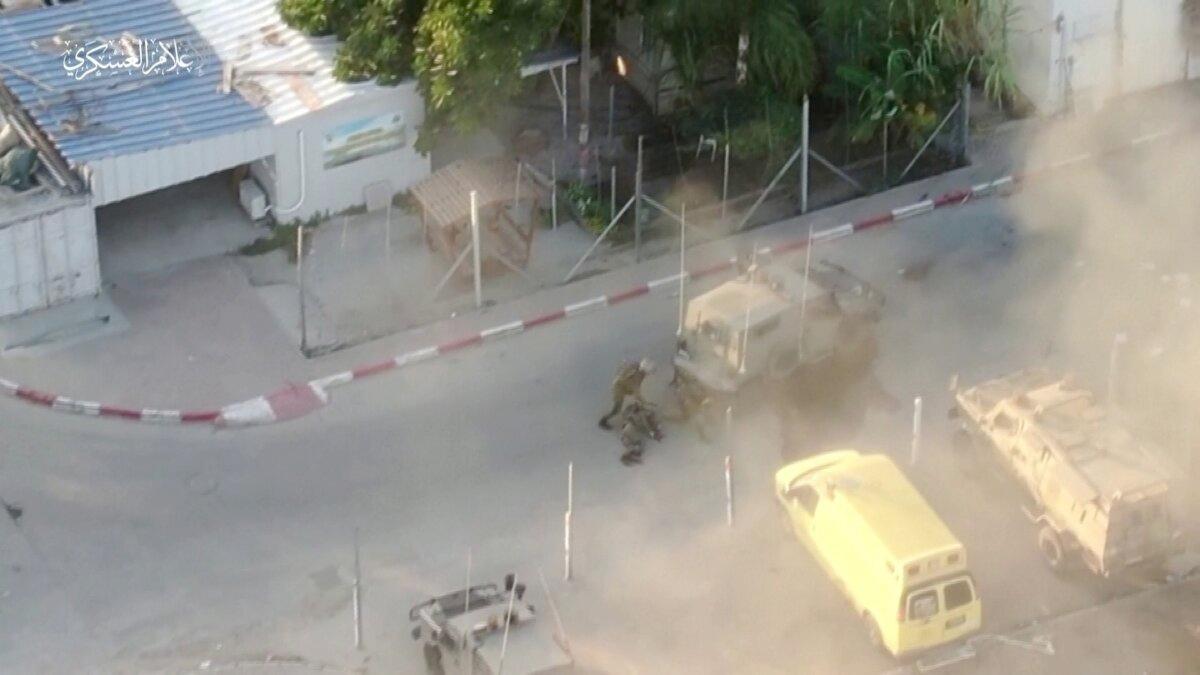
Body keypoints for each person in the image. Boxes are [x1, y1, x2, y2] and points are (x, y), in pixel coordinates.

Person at [599, 358, 655, 429]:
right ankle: (603, 421)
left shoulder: (636, 366)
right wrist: (645, 402)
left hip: (624, 385)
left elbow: (623, 365)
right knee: (616, 409)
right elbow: (636, 391)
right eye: (648, 372)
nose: (648, 374)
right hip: (618, 389)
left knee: (636, 399)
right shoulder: (637, 376)